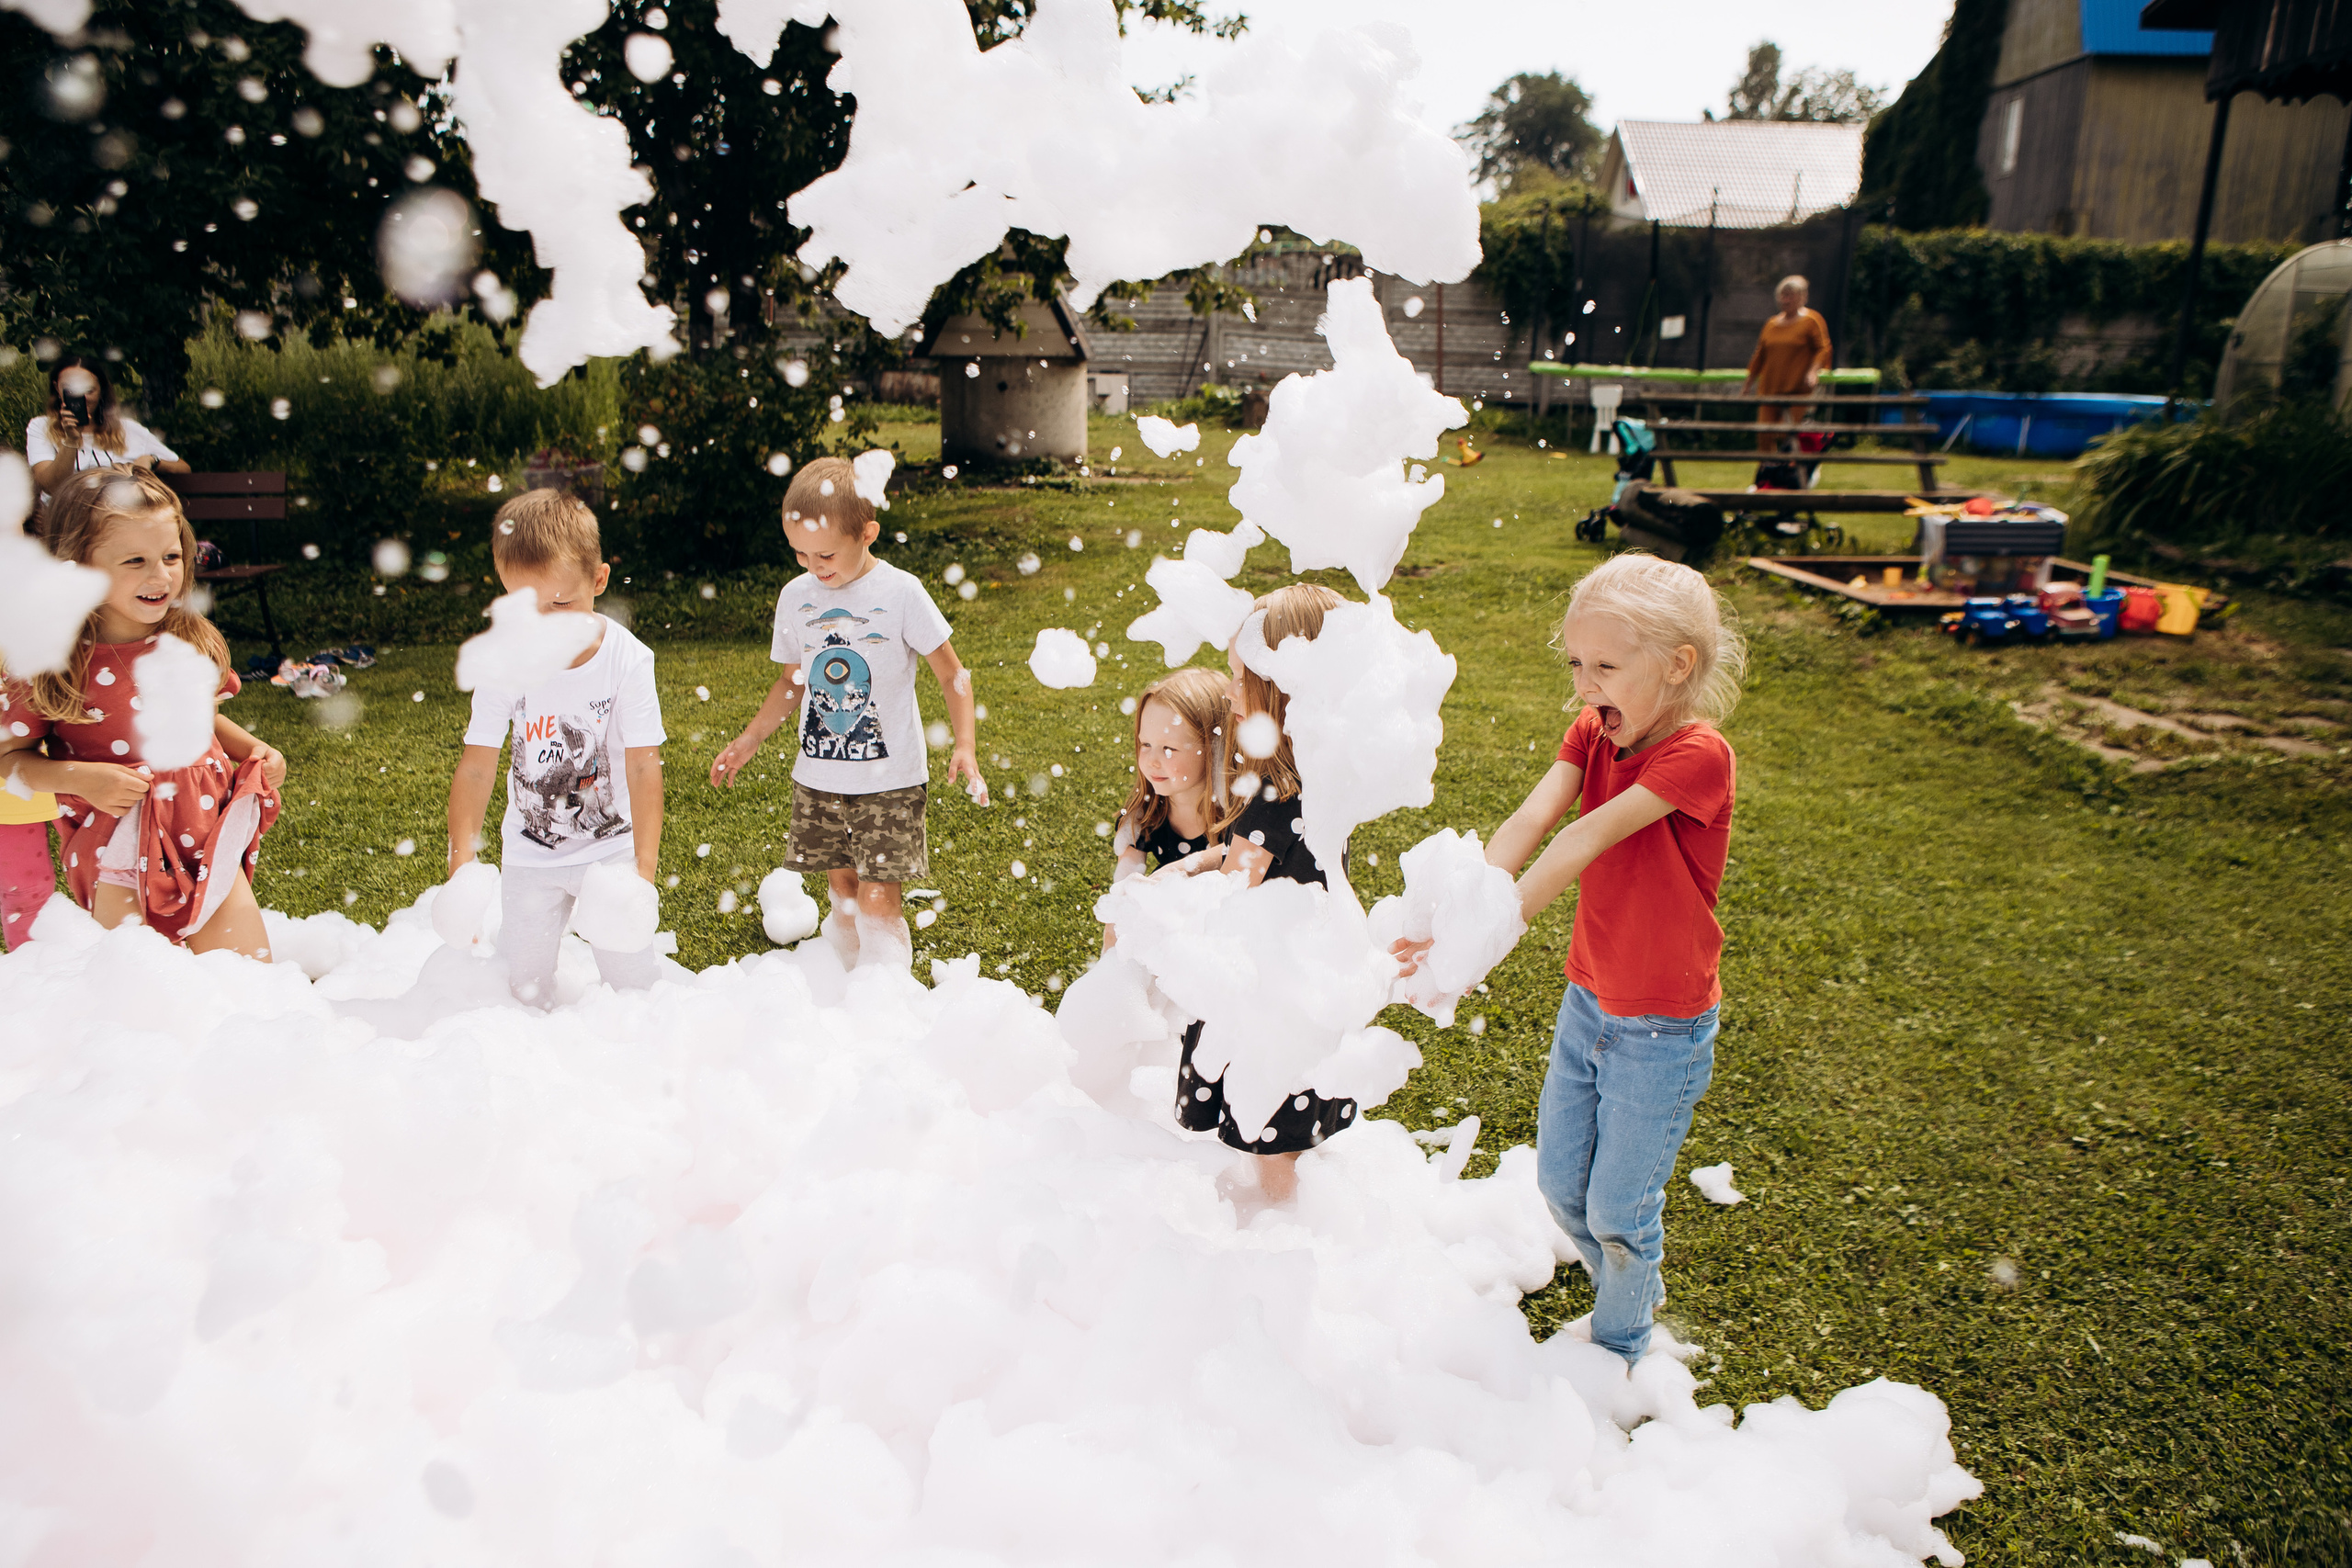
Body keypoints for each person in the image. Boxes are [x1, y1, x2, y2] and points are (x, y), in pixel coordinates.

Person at [1396, 553, 1744, 1366]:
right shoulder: (1592, 731)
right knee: (1561, 1188)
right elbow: (1535, 814)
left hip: (1663, 1025)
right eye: (1577, 663)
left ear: (1677, 665)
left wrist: (1488, 940)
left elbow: (1583, 837)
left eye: (1607, 666)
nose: (1587, 685)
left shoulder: (1699, 755)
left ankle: (1620, 1349)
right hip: (1590, 1001)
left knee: (1620, 1208)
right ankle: (1627, 1287)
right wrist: (1456, 917)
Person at [708, 456, 987, 973]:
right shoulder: (797, 598)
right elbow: (793, 681)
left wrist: (965, 743)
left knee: (879, 899)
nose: (814, 566)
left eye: (826, 553)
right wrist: (749, 740)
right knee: (843, 888)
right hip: (819, 776)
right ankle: (844, 981)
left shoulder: (901, 593)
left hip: (890, 778)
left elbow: (953, 674)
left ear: (868, 533)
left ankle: (883, 993)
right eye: (800, 554)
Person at [0, 468, 285, 956]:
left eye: (171, 556)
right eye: (135, 560)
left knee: (248, 973)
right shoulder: (51, 660)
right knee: (145, 987)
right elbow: (11, 764)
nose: (161, 576)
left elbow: (198, 716)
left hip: (203, 831)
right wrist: (85, 779)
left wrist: (252, 748)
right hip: (117, 845)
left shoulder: (188, 639)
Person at [1168, 584, 1359, 1205]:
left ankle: (1278, 1224)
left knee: (1269, 1122)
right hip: (1311, 964)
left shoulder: (1277, 796)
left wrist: (1174, 905)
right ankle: (1301, 1200)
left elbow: (1236, 887)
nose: (1228, 691)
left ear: (1276, 692)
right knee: (1298, 1099)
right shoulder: (1322, 779)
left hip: (1265, 981)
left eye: (1237, 677)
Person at [447, 488, 667, 1009]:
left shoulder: (628, 661)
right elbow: (477, 767)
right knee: (524, 992)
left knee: (633, 988)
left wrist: (643, 872)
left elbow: (642, 764)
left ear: (599, 580)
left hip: (609, 848)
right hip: (532, 852)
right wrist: (461, 870)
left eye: (561, 604)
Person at [1110, 666, 1228, 886]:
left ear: (1213, 750)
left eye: (1169, 748)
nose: (1152, 760)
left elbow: (1235, 851)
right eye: (1145, 744)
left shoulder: (1236, 811)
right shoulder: (1145, 815)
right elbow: (1122, 892)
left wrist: (1178, 870)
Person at [26, 355, 191, 500]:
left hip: (115, 521)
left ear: (101, 390)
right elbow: (52, 487)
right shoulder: (41, 427)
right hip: (65, 525)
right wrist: (71, 440)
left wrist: (152, 461)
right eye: (71, 390)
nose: (81, 398)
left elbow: (184, 469)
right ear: (57, 388)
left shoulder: (127, 429)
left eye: (88, 390)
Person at [1739, 275, 1832, 455]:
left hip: (1797, 390)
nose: (1785, 299)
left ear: (1803, 297)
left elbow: (1823, 349)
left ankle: (1800, 466)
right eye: (1782, 295)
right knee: (1764, 434)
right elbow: (1760, 355)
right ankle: (1765, 478)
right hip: (1769, 389)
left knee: (1784, 431)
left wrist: (1813, 372)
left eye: (1790, 295)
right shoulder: (1771, 324)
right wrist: (1748, 384)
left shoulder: (1811, 321)